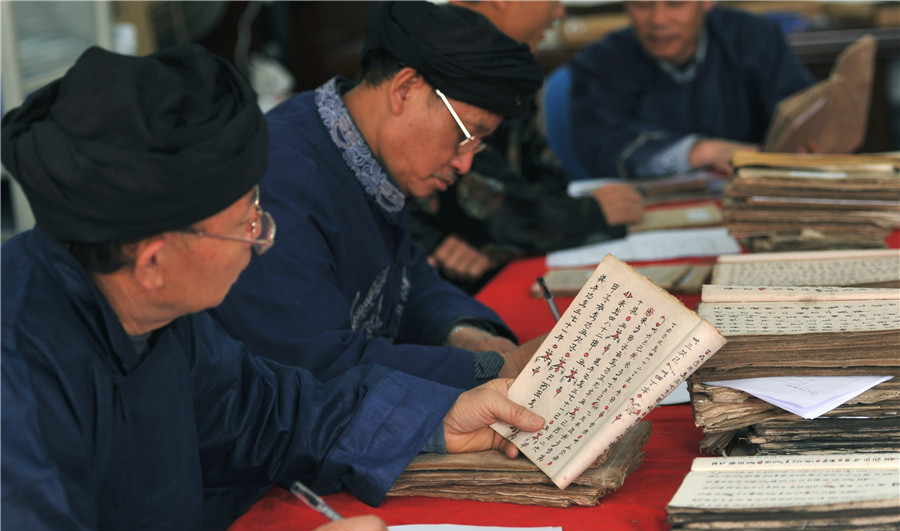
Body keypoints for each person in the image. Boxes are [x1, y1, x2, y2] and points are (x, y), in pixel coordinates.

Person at [0, 44, 545, 531]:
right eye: (246, 225)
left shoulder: (149, 305)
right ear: (154, 262)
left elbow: (265, 412)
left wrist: (433, 421)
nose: (264, 239)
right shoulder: (18, 375)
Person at [210, 1, 549, 391]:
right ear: (404, 89)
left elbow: (404, 279)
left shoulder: (360, 149)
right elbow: (314, 366)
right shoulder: (278, 180)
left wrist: (469, 336)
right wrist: (483, 370)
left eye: (478, 144)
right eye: (464, 134)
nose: (465, 163)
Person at [410, 0, 646, 292]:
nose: (560, 12)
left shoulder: (506, 63)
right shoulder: (432, 60)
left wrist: (503, 235)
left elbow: (543, 177)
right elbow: (481, 203)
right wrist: (591, 214)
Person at [568, 0, 816, 179]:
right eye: (643, 4)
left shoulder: (756, 40)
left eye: (676, 3)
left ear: (706, 2)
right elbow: (597, 144)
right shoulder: (601, 62)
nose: (658, 20)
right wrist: (701, 152)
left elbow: (802, 111)